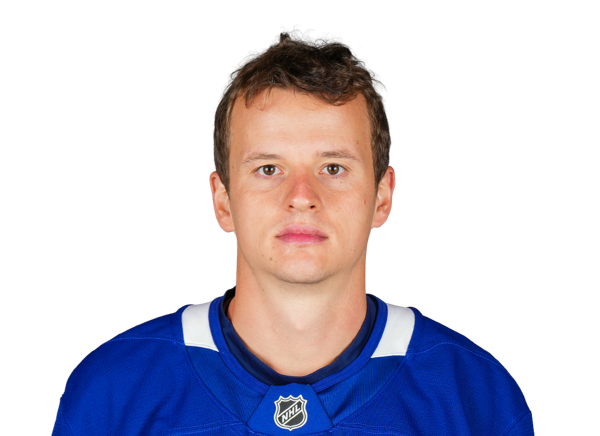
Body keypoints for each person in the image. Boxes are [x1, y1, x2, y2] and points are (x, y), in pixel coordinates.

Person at [52, 29, 534, 435]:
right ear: (222, 201)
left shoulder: (476, 396)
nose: (302, 196)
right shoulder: (112, 392)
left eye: (333, 168)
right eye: (268, 169)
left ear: (383, 197)